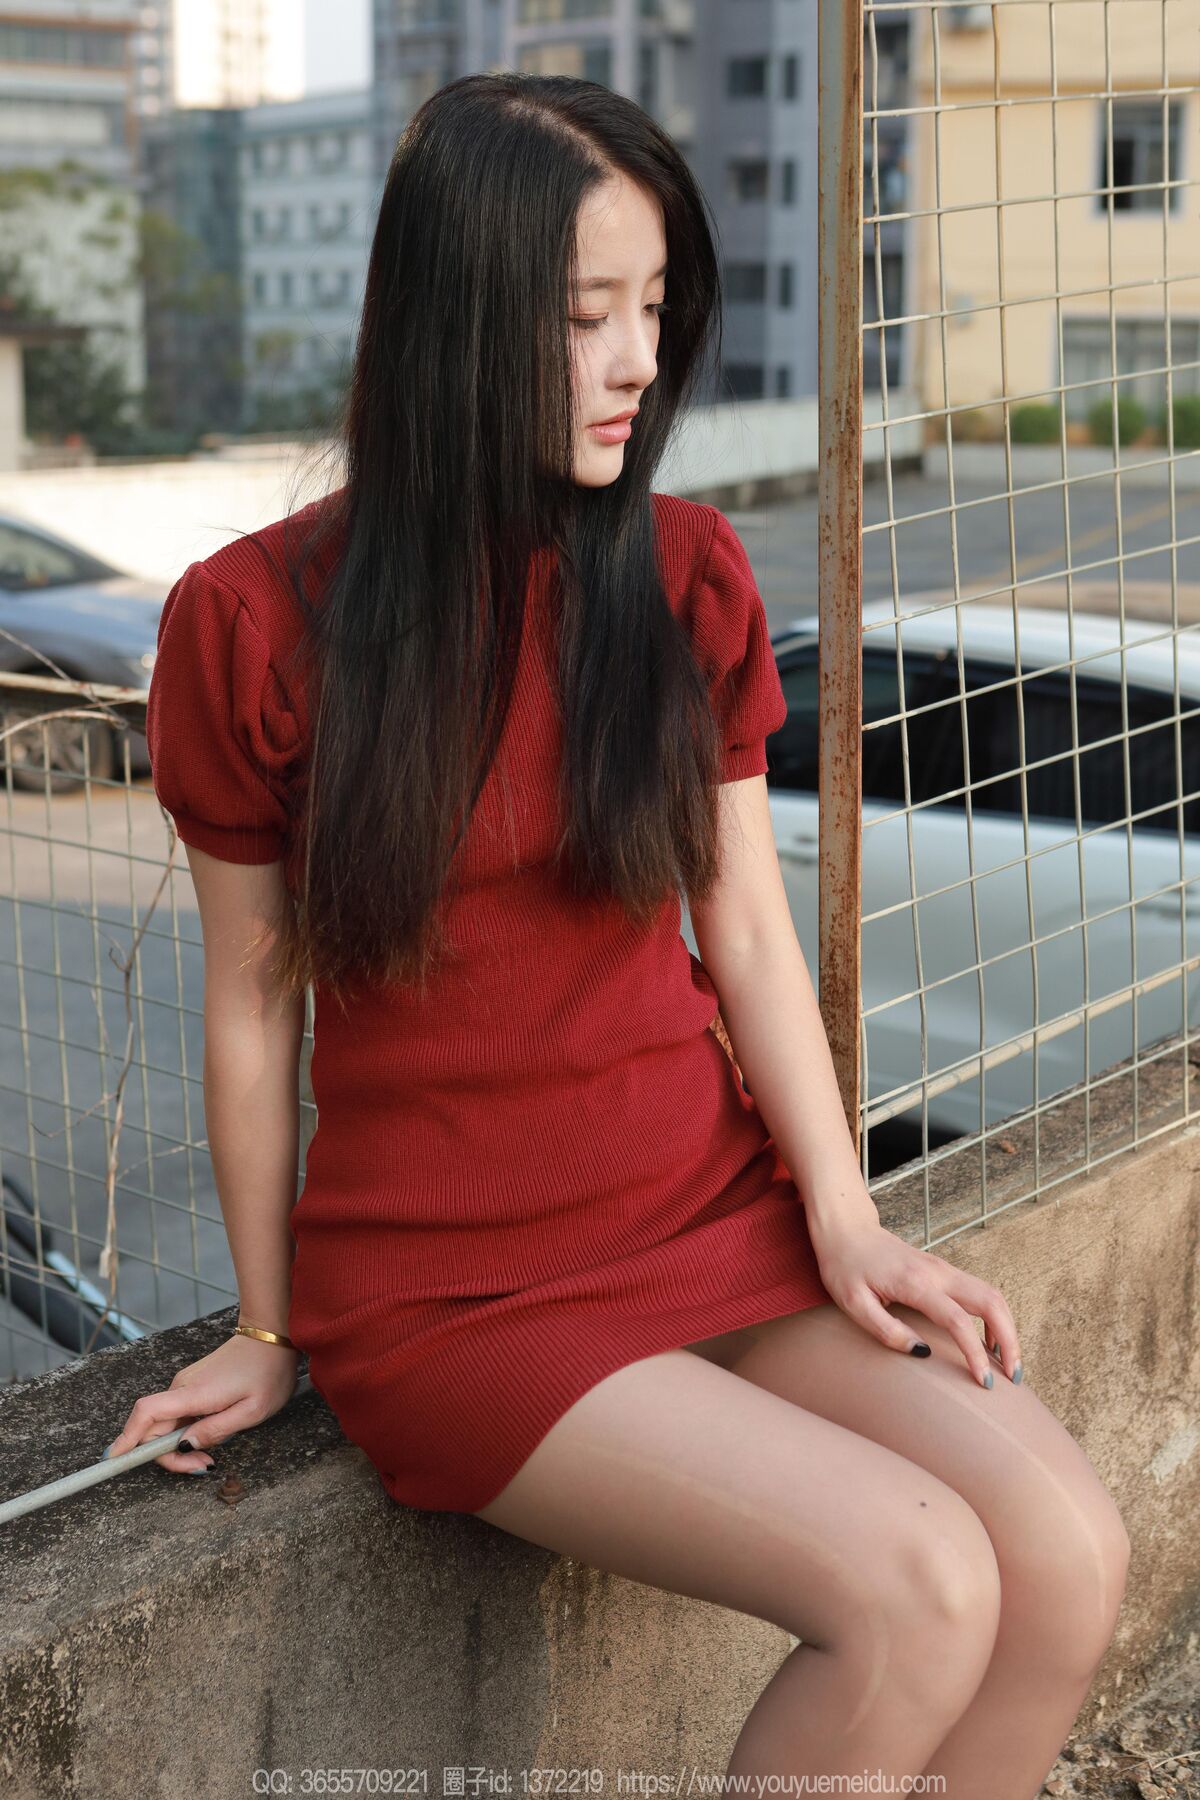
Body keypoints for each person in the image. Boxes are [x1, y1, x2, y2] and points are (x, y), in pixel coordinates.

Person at [107, 71, 1130, 1793]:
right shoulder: (254, 625)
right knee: (923, 1591)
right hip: (461, 1293)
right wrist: (269, 1334)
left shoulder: (680, 574)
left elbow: (748, 933)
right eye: (587, 314)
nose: (638, 359)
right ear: (454, 321)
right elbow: (251, 1009)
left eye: (655, 307)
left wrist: (848, 1216)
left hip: (708, 1214)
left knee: (1069, 1559)